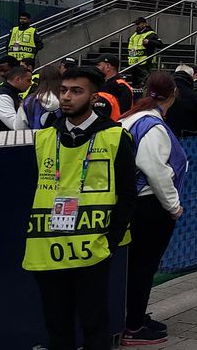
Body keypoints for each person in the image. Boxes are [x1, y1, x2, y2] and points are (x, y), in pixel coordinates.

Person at [22, 67, 137, 350]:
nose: (67, 97)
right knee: (56, 323)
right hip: (49, 247)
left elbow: (127, 194)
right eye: (63, 91)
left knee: (93, 321)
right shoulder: (45, 137)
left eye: (76, 91)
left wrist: (110, 242)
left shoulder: (114, 136)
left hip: (92, 249)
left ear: (93, 97)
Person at [118, 72, 187, 345]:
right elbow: (157, 172)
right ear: (173, 95)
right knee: (143, 267)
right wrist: (174, 206)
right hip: (148, 206)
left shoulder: (129, 118)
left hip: (131, 204)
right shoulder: (152, 126)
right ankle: (133, 326)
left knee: (135, 265)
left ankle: (132, 315)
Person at [0, 64, 33, 131]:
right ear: (18, 79)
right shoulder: (1, 97)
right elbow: (15, 126)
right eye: (28, 80)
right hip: (5, 139)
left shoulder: (12, 93)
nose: (30, 84)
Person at [164, 65, 197, 135]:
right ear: (191, 77)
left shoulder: (165, 94)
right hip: (189, 140)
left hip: (168, 137)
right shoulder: (196, 98)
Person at [93, 54, 134, 120]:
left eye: (98, 65)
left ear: (108, 66)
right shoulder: (101, 83)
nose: (96, 68)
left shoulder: (120, 85)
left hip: (114, 125)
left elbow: (125, 110)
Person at [127, 17, 162, 87]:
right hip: (134, 62)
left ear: (145, 24)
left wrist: (149, 41)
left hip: (145, 62)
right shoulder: (134, 35)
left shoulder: (150, 33)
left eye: (139, 24)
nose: (137, 26)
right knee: (135, 84)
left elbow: (160, 44)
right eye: (136, 24)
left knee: (146, 82)